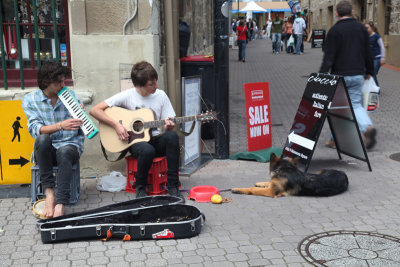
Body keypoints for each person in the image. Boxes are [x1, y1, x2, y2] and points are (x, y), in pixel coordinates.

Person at [89, 61, 183, 201]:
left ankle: (173, 185)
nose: (156, 86)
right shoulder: (127, 95)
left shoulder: (161, 95)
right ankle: (140, 188)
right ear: (139, 85)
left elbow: (168, 126)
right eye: (151, 84)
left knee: (172, 137)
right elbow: (94, 110)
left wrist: (169, 126)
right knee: (147, 150)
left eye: (156, 82)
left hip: (155, 139)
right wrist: (116, 125)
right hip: (136, 142)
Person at [22, 61, 84, 218]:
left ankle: (61, 202)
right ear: (46, 83)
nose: (64, 85)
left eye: (64, 81)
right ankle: (49, 194)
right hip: (46, 151)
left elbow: (83, 127)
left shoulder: (69, 96)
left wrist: (80, 116)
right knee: (42, 139)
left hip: (70, 145)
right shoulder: (30, 100)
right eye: (59, 82)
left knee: (64, 152)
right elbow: (35, 130)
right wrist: (61, 125)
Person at [320, 0, 377, 149]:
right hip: (358, 74)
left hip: (340, 76)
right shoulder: (361, 29)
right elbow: (368, 52)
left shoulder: (334, 31)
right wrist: (370, 71)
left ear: (337, 14)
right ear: (352, 12)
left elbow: (329, 57)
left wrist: (321, 76)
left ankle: (335, 139)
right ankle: (367, 128)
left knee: (337, 108)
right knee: (356, 105)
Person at [365, 22, 385, 87]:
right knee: (369, 74)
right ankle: (371, 88)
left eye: (367, 28)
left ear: (372, 28)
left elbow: (382, 47)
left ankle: (377, 89)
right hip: (369, 59)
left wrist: (382, 58)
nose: (366, 29)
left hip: (377, 58)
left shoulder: (377, 36)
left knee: (372, 73)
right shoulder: (365, 36)